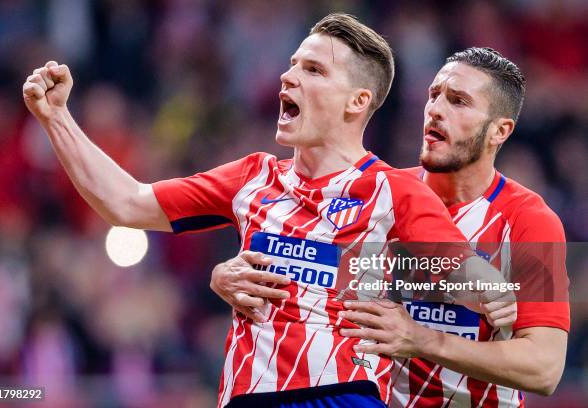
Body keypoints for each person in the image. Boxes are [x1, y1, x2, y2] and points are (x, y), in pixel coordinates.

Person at [23, 13, 512, 408]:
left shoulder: (393, 191)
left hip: (341, 395)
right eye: (295, 64)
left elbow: (482, 285)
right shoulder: (252, 176)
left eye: (314, 70)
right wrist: (56, 117)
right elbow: (125, 203)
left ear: (357, 101)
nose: (289, 75)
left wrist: (372, 275)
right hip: (246, 394)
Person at [211, 48, 570, 407]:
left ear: (499, 131)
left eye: (458, 101)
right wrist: (229, 273)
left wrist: (421, 339)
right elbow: (305, 269)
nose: (435, 110)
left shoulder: (529, 221)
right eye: (434, 95)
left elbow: (543, 368)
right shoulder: (378, 194)